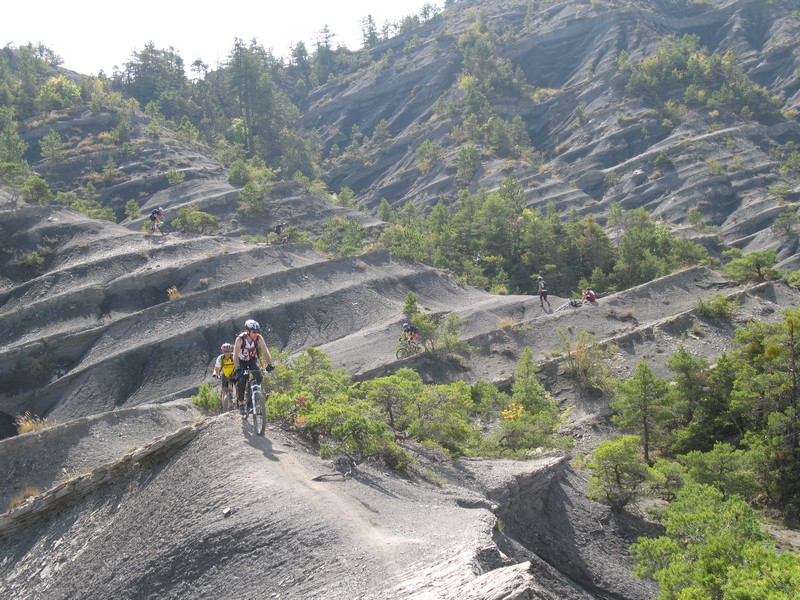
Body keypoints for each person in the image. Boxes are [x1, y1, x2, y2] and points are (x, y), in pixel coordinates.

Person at [233, 319, 275, 415]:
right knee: (242, 380)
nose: (256, 333)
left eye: (257, 331)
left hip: (252, 360)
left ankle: (252, 399)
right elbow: (235, 354)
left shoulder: (259, 338)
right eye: (254, 332)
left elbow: (265, 351)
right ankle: (241, 404)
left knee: (259, 376)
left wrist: (270, 364)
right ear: (247, 331)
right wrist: (238, 368)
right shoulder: (240, 339)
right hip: (241, 361)